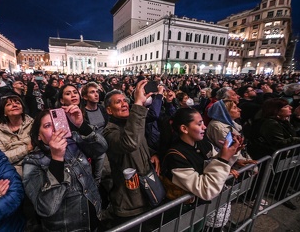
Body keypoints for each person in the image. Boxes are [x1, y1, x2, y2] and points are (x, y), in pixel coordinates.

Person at [22, 105, 107, 231]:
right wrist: (57, 158)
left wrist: (81, 125)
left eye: (56, 123)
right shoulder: (32, 162)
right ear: (39, 136)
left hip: (95, 220)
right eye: (47, 126)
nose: (55, 129)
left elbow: (101, 148)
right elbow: (47, 208)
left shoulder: (73, 141)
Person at [161, 108, 240, 231]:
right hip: (184, 211)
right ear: (184, 129)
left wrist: (231, 153)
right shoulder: (175, 156)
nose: (205, 127)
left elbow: (216, 164)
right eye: (199, 124)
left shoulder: (203, 142)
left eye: (203, 122)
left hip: (201, 207)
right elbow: (205, 190)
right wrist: (223, 160)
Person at [102, 80, 160, 223]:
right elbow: (130, 143)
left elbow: (140, 142)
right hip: (129, 203)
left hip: (145, 194)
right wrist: (138, 104)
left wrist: (152, 154)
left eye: (125, 100)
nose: (124, 104)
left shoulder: (130, 123)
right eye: (118, 102)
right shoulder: (109, 132)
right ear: (109, 110)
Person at [0, 95, 33, 177]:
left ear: (22, 109)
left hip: (35, 165)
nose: (14, 105)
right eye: (8, 104)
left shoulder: (34, 124)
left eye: (17, 103)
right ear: (4, 113)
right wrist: (27, 148)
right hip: (11, 171)